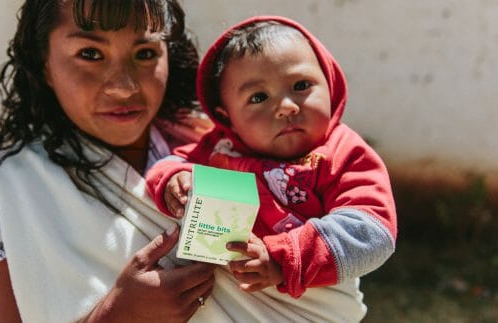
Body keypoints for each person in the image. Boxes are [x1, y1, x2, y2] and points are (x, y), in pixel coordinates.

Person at [0, 0, 218, 322]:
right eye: (90, 54)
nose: (124, 87)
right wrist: (116, 315)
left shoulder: (215, 150)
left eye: (145, 53)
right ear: (44, 65)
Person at [146, 15, 397, 310]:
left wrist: (283, 257)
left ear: (329, 84)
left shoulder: (344, 153)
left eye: (302, 85)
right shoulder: (220, 147)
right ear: (228, 117)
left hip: (307, 299)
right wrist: (175, 178)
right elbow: (170, 163)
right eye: (259, 97)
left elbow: (371, 232)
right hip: (226, 298)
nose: (286, 107)